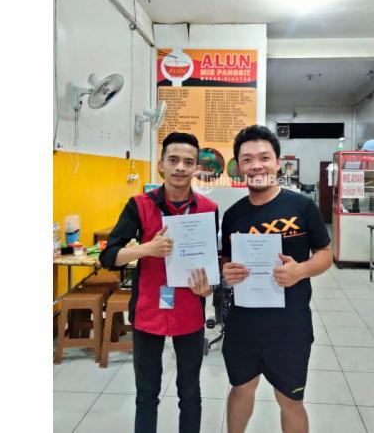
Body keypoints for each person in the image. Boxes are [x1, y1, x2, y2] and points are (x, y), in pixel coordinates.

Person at [99, 132, 219, 433]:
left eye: (188, 162)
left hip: (189, 310)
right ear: (161, 165)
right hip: (149, 310)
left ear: (196, 168)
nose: (180, 167)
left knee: (190, 393)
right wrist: (145, 249)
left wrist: (209, 288)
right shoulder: (139, 205)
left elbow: (211, 264)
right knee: (146, 394)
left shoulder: (208, 209)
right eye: (173, 160)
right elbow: (109, 256)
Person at [221, 125, 333, 433]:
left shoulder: (302, 207)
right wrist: (226, 271)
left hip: (289, 325)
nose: (256, 165)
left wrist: (301, 270)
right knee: (241, 389)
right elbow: (226, 260)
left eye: (264, 158)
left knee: (290, 401)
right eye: (247, 159)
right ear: (238, 167)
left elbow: (325, 254)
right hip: (243, 323)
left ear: (277, 163)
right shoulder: (233, 215)